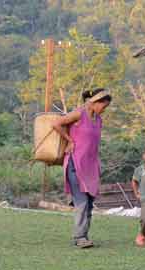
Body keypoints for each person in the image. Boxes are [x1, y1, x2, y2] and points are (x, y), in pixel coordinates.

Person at [51, 88, 112, 248]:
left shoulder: (99, 120)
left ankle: (84, 235)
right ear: (94, 102)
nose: (104, 110)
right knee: (82, 201)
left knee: (89, 202)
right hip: (75, 163)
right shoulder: (79, 114)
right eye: (103, 106)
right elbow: (57, 124)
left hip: (90, 166)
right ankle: (79, 237)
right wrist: (69, 140)